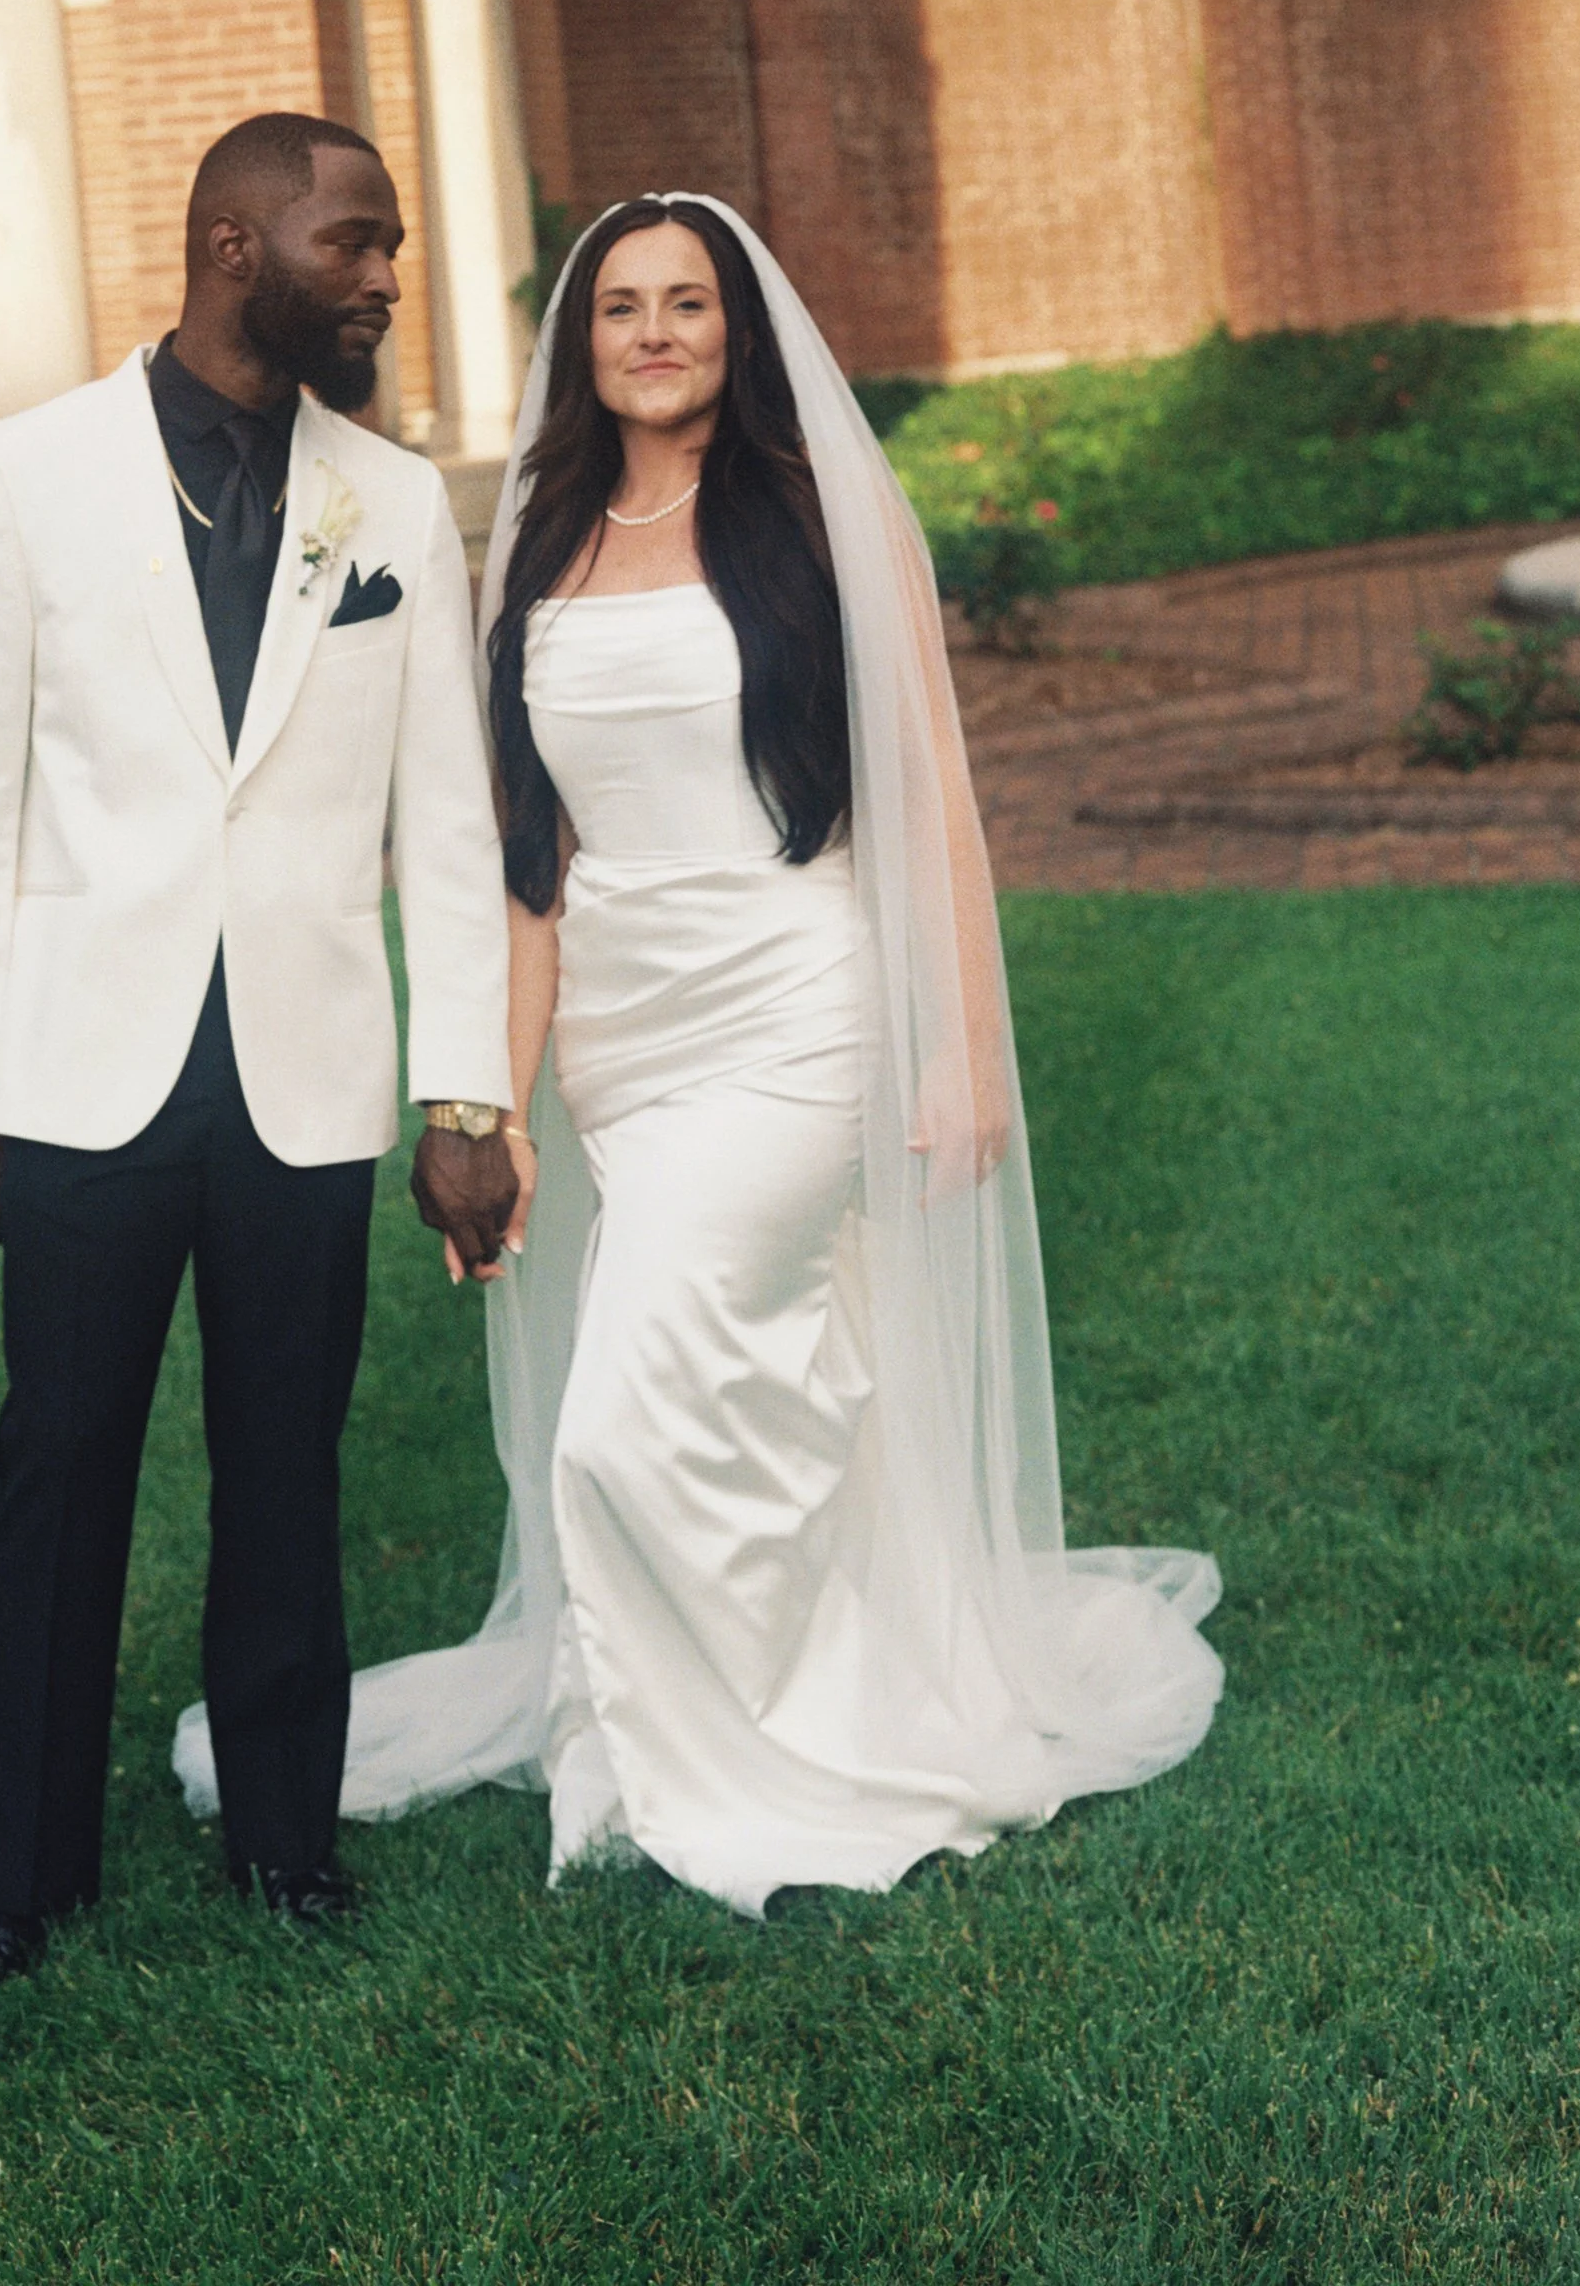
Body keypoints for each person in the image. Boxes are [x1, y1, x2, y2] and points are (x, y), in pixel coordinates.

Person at [313, 195, 1223, 1915]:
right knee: (746, 1379)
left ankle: (729, 1766)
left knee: (622, 1418)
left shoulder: (819, 521)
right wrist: (494, 1107)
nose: (656, 333)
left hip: (798, 1002)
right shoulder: (542, 544)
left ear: (739, 330)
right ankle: (761, 1683)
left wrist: (963, 1053)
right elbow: (531, 861)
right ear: (582, 341)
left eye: (689, 303)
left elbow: (930, 802)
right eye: (622, 307)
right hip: (623, 1037)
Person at [0, 113, 516, 2024]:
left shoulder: (393, 503)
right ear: (238, 247)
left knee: (285, 1471)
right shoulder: (20, 479)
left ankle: (285, 1847)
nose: (388, 278)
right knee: (60, 1471)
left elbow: (449, 823)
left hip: (305, 1079)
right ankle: (14, 1893)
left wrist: (465, 1095)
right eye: (357, 244)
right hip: (83, 1074)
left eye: (392, 245)